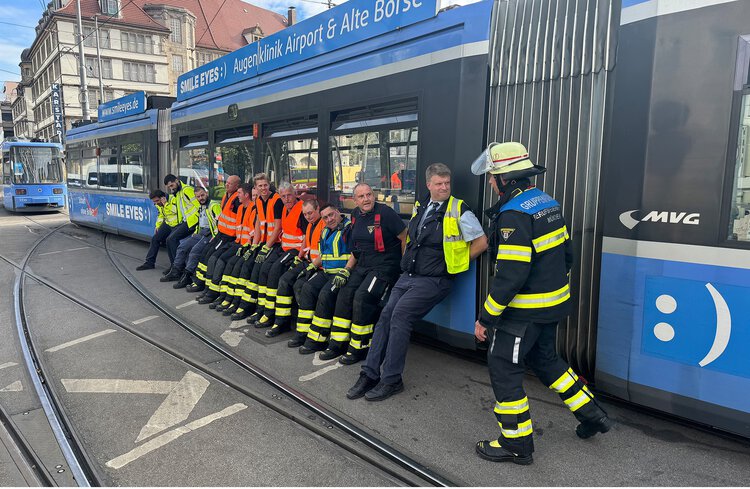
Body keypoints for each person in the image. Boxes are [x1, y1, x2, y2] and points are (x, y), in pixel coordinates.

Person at [470, 142, 611, 465]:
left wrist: (486, 319)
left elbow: (510, 276)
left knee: (504, 369)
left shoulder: (513, 214)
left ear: (506, 178)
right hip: (554, 305)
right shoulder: (546, 203)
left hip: (524, 312)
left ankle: (516, 443)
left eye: (493, 177)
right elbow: (567, 254)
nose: (491, 182)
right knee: (548, 362)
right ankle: (593, 415)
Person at [347, 163, 488, 401]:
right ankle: (369, 373)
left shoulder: (459, 209)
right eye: (439, 183)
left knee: (400, 316)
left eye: (447, 183)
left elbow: (482, 242)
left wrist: (454, 264)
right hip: (409, 276)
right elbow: (411, 239)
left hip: (434, 280)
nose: (444, 187)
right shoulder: (421, 207)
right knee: (385, 316)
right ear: (429, 185)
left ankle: (391, 379)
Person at [301, 183, 407, 365]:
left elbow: (404, 236)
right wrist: (347, 270)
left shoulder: (386, 213)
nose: (366, 199)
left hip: (384, 266)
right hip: (363, 264)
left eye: (369, 195)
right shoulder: (356, 215)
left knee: (362, 297)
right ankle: (337, 343)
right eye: (362, 196)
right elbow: (355, 249)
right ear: (355, 200)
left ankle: (359, 347)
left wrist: (403, 266)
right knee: (344, 292)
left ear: (374, 196)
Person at [290, 204, 352, 348]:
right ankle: (302, 334)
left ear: (338, 212)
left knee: (324, 295)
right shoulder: (325, 231)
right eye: (325, 217)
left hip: (342, 274)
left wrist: (347, 270)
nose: (329, 219)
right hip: (326, 272)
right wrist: (312, 266)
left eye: (331, 215)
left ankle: (318, 339)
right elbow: (323, 255)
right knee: (307, 288)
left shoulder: (348, 229)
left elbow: (355, 254)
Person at [264, 198, 324, 337]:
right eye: (305, 214)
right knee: (284, 280)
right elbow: (305, 241)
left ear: (318, 209)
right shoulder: (311, 224)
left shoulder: (323, 225)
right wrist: (299, 257)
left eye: (310, 213)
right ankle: (281, 322)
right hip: (307, 261)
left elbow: (325, 254)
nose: (308, 216)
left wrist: (311, 266)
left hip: (318, 266)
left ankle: (303, 329)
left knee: (300, 285)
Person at [248, 182, 306, 327]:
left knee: (275, 271)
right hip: (284, 248)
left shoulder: (302, 209)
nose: (287, 199)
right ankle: (262, 309)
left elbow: (307, 236)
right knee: (264, 267)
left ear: (295, 195)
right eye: (283, 196)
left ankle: (273, 316)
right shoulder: (285, 209)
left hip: (296, 251)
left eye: (289, 195)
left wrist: (299, 258)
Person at [231, 174, 284, 318]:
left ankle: (262, 311)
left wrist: (266, 248)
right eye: (260, 186)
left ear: (269, 184)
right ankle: (244, 304)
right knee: (247, 266)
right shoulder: (259, 200)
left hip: (275, 244)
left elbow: (278, 228)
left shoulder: (277, 200)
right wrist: (254, 246)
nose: (263, 188)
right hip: (263, 243)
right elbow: (259, 224)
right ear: (256, 188)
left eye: (265, 185)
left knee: (261, 271)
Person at [198, 182, 255, 305]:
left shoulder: (253, 209)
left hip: (244, 245)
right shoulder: (240, 208)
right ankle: (210, 290)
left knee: (222, 261)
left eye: (239, 193)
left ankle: (216, 294)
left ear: (246, 195)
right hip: (236, 242)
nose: (237, 195)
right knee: (214, 257)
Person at [187, 175, 241, 293]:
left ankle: (208, 288)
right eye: (226, 183)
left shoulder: (237, 200)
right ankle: (199, 281)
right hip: (221, 234)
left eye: (230, 184)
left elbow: (240, 221)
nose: (226, 185)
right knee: (205, 253)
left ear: (237, 186)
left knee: (212, 258)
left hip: (229, 236)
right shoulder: (226, 196)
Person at [163, 186, 221, 284]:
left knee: (194, 251)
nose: (201, 198)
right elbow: (200, 221)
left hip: (210, 234)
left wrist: (215, 236)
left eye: (202, 195)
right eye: (198, 197)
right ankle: (175, 271)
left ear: (206, 193)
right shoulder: (200, 206)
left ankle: (188, 276)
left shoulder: (213, 205)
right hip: (200, 233)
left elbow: (220, 223)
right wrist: (195, 232)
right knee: (182, 247)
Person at [163, 174, 201, 275]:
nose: (171, 188)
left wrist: (196, 221)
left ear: (177, 181)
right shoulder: (178, 192)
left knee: (172, 239)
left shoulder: (187, 190)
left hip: (191, 222)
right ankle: (174, 266)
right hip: (184, 222)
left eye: (172, 186)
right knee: (168, 240)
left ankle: (178, 269)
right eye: (169, 187)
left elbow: (199, 206)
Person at [137, 189, 178, 271]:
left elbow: (176, 211)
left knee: (169, 241)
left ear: (163, 198)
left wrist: (165, 204)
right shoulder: (158, 204)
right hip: (168, 223)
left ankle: (174, 266)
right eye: (154, 202)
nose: (156, 203)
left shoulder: (173, 199)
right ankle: (149, 263)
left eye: (157, 201)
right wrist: (158, 226)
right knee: (155, 239)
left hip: (177, 224)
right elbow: (161, 215)